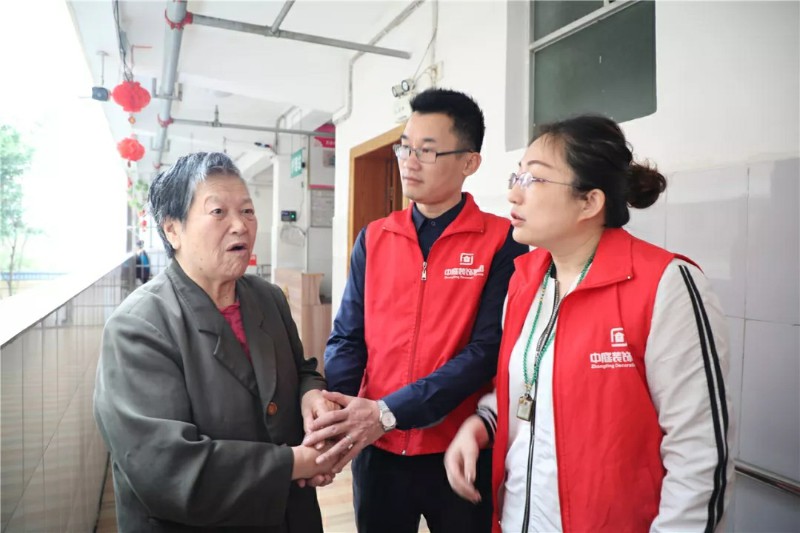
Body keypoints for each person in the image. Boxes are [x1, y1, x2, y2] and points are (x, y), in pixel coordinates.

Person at [444, 115, 735, 532]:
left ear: (589, 202)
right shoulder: (525, 282)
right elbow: (529, 382)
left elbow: (700, 457)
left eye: (533, 179)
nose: (513, 192)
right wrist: (482, 424)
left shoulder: (664, 285)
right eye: (516, 176)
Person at [302, 88, 529, 533]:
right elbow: (348, 336)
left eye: (427, 150)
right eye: (405, 147)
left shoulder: (502, 241)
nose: (409, 161)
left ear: (469, 162)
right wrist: (341, 414)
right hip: (378, 449)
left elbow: (486, 351)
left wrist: (390, 410)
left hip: (458, 449)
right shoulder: (375, 237)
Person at [94, 152, 340, 533]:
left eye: (247, 211)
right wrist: (295, 464)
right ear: (172, 230)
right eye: (218, 212)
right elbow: (166, 469)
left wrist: (312, 396)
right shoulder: (138, 326)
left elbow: (303, 370)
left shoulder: (268, 298)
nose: (240, 225)